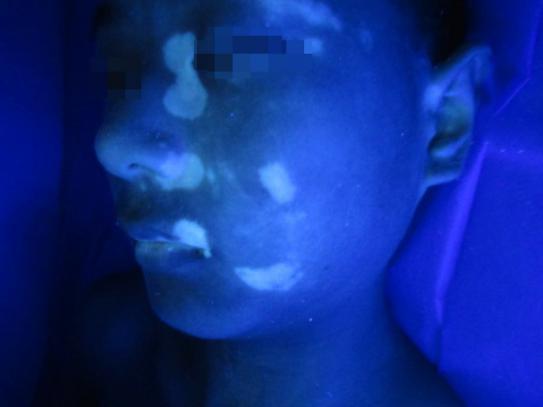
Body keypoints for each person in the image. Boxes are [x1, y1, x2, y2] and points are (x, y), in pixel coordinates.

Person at [86, 0, 492, 404]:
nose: (112, 142)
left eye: (236, 59)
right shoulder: (111, 337)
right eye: (118, 69)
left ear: (445, 123)